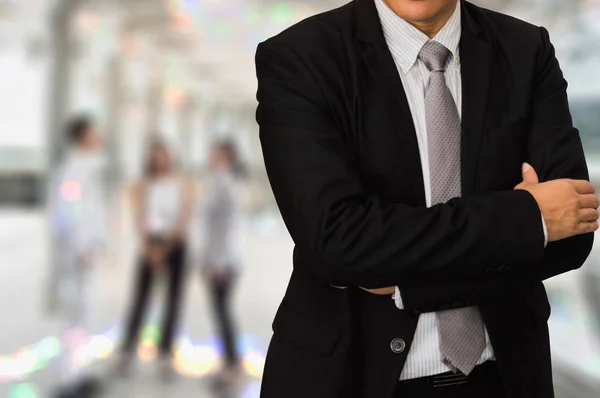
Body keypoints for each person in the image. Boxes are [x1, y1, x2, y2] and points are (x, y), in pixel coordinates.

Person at [254, 1, 599, 397]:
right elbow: (338, 242)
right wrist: (525, 217)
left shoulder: (525, 49)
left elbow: (573, 228)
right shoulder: (302, 57)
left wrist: (405, 285)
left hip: (505, 378)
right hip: (350, 375)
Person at [118, 139, 194, 378]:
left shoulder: (182, 182)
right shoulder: (143, 183)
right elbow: (138, 215)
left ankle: (165, 353)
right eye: (154, 156)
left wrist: (166, 247)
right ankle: (128, 351)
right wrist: (149, 248)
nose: (159, 160)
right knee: (140, 299)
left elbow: (184, 217)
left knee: (173, 301)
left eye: (162, 155)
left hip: (175, 244)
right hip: (151, 243)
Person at [49, 115, 106, 398]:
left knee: (82, 317)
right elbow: (69, 214)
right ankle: (68, 381)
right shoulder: (73, 170)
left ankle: (77, 374)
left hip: (84, 256)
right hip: (76, 258)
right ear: (83, 136)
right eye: (95, 132)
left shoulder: (87, 167)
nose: (99, 136)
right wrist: (82, 247)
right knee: (73, 318)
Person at [200, 140, 244, 387]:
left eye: (215, 152)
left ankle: (232, 364)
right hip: (220, 259)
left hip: (224, 262)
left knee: (223, 312)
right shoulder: (220, 181)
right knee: (221, 311)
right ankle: (229, 361)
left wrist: (217, 264)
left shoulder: (224, 183)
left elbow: (226, 229)